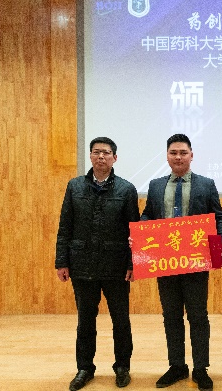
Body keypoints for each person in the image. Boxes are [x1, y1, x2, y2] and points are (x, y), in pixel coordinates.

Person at [140, 134, 222, 391]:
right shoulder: (156, 185)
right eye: (173, 153)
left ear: (192, 155)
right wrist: (140, 230)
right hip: (165, 262)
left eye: (183, 152)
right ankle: (177, 366)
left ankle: (200, 368)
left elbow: (219, 217)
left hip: (195, 260)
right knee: (171, 315)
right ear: (167, 156)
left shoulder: (206, 184)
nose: (178, 157)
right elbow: (148, 214)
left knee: (198, 315)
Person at [55, 137, 140, 391]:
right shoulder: (74, 186)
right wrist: (62, 261)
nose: (101, 156)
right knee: (85, 321)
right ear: (90, 156)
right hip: (82, 265)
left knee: (121, 320)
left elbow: (134, 231)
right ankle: (84, 368)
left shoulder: (126, 189)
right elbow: (65, 226)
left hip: (116, 266)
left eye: (106, 153)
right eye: (96, 152)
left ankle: (122, 366)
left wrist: (132, 263)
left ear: (115, 158)